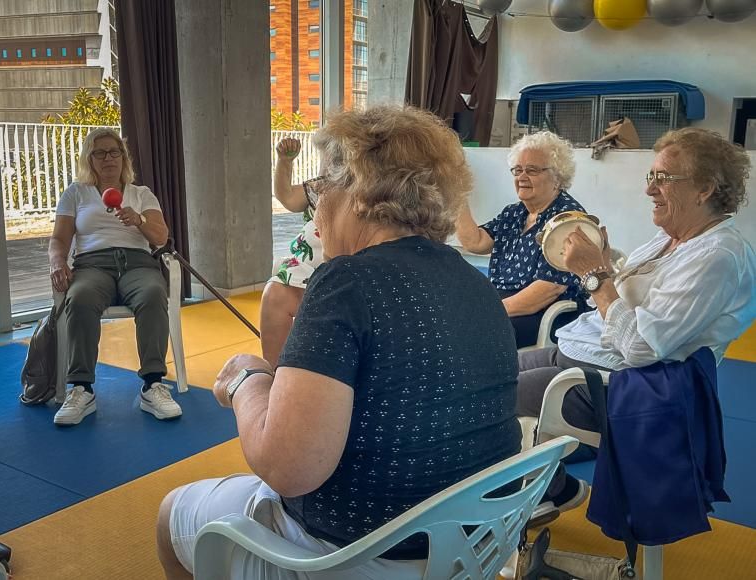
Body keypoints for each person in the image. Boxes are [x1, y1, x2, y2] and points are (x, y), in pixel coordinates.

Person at [156, 106, 521, 579]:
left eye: (325, 184)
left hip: (353, 556)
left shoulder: (345, 281)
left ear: (361, 193)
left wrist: (248, 379)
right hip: (469, 548)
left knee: (170, 514)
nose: (318, 201)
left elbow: (287, 467)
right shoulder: (474, 283)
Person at [520, 127, 756, 518]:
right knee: (488, 372)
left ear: (705, 190)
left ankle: (546, 491)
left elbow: (642, 347)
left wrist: (594, 274)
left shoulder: (718, 257)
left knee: (486, 395)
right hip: (582, 358)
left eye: (664, 179)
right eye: (652, 177)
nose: (650, 189)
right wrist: (605, 261)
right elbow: (631, 294)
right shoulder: (672, 239)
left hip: (622, 387)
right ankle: (548, 485)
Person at [48, 128, 182, 426]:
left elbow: (161, 237)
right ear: (90, 159)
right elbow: (59, 239)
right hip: (92, 265)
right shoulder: (76, 193)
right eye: (99, 153)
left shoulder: (141, 193)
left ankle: (153, 385)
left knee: (152, 294)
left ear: (123, 157)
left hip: (137, 264)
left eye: (114, 151)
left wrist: (140, 219)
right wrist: (58, 262)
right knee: (79, 297)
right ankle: (81, 388)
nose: (108, 158)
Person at [455, 131, 589, 349]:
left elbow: (548, 289)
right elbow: (476, 242)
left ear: (557, 177)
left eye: (532, 170)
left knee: (470, 335)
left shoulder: (567, 218)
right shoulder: (515, 213)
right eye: (517, 170)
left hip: (543, 313)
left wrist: (489, 310)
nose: (522, 177)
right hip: (505, 303)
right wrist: (456, 195)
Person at [260, 137, 324, 367]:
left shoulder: (376, 192)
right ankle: (276, 373)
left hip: (351, 268)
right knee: (275, 295)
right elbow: (286, 196)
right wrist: (285, 163)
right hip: (308, 268)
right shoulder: (319, 187)